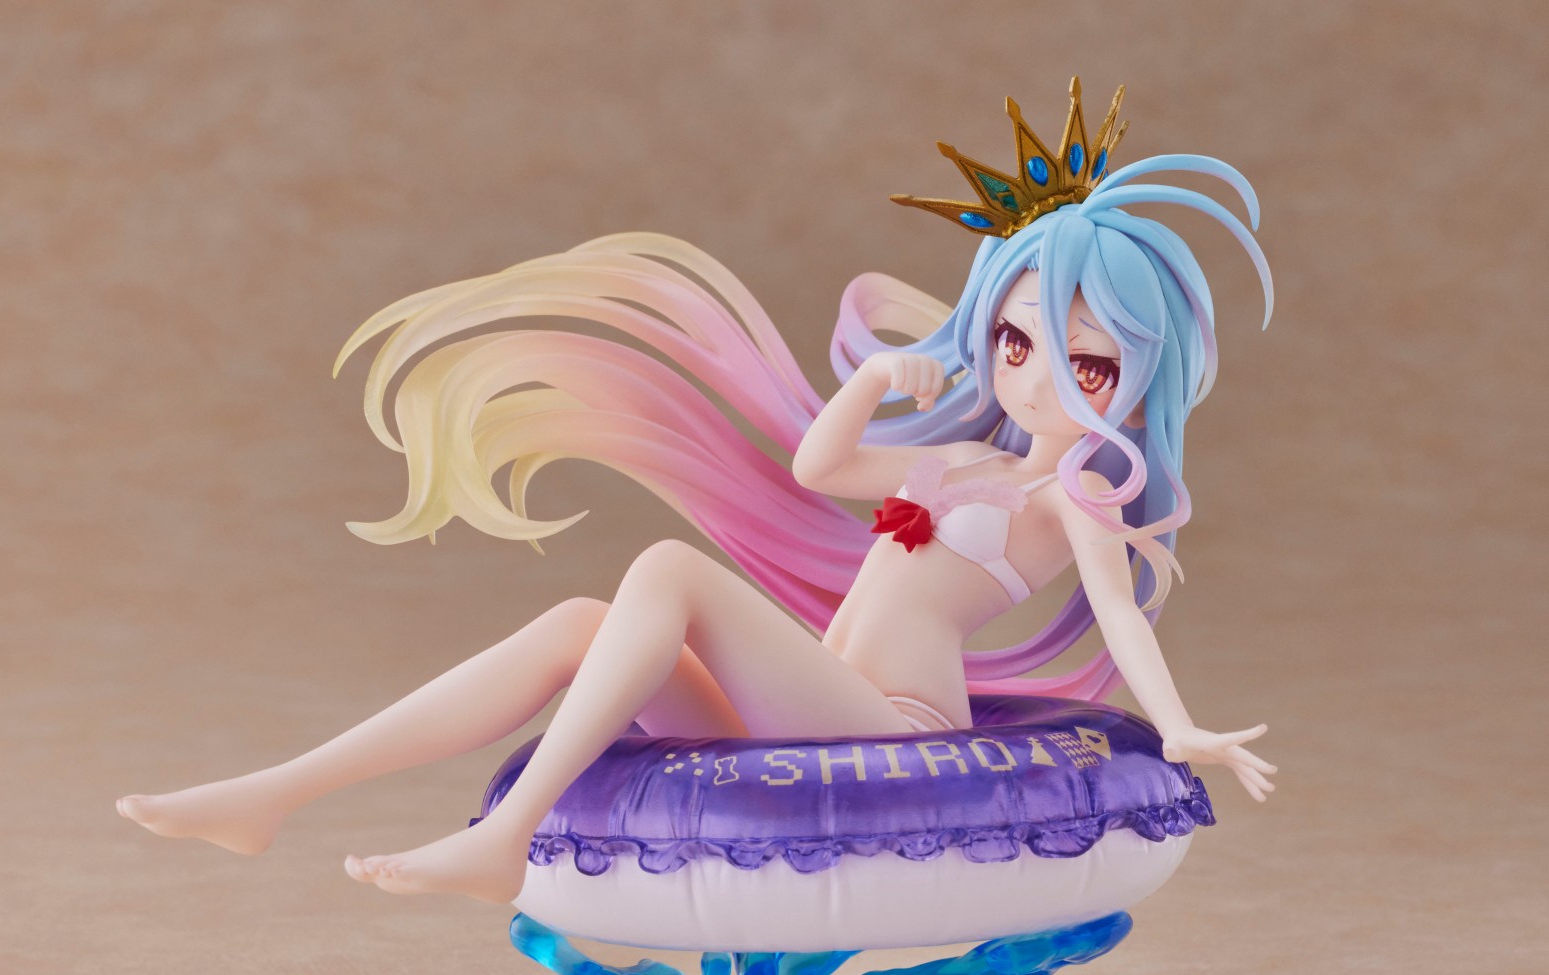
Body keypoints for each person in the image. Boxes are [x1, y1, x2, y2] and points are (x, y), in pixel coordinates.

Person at [117, 79, 1277, 906]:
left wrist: (1178, 725)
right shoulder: (969, 462)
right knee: (577, 624)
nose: (1036, 380)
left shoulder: (1071, 498)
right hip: (811, 699)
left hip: (892, 729)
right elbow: (821, 469)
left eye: (1087, 365)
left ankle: (508, 837)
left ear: (1144, 378)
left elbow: (1118, 612)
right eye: (1016, 343)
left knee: (667, 571)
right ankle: (276, 791)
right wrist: (876, 378)